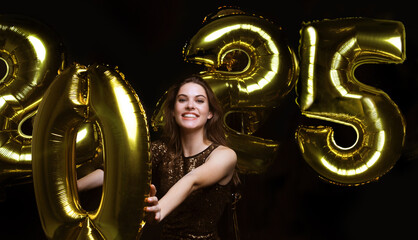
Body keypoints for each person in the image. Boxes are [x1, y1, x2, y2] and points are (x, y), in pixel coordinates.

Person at [77, 75, 238, 239]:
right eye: (182, 100)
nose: (190, 105)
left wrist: (160, 209)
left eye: (199, 101)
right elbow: (118, 170)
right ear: (173, 111)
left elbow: (192, 179)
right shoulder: (161, 150)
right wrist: (72, 188)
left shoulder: (225, 155)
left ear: (210, 113)